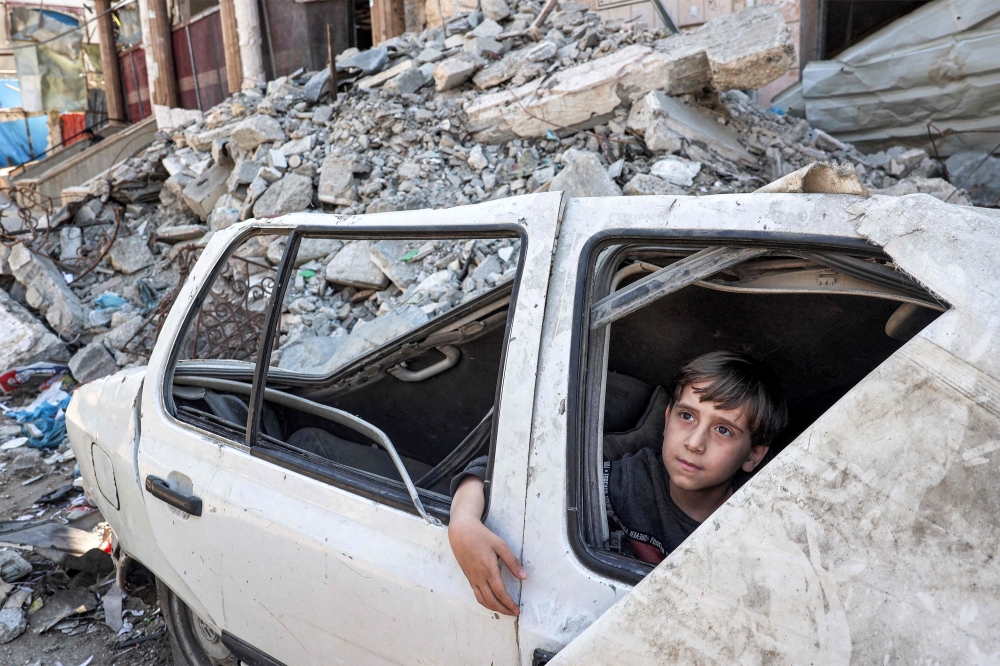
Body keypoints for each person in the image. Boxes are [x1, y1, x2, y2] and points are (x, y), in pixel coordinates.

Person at [447, 351, 788, 616]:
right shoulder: (626, 479)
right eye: (687, 416)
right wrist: (462, 523)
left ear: (754, 455)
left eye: (723, 430)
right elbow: (511, 474)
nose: (695, 443)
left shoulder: (754, 528)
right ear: (667, 420)